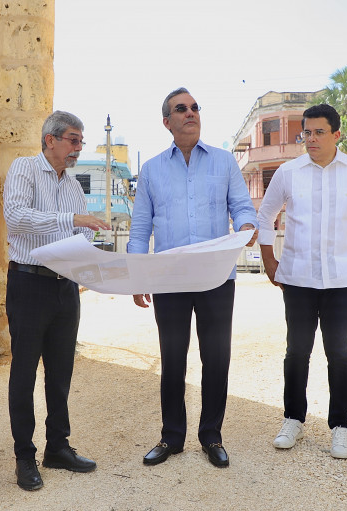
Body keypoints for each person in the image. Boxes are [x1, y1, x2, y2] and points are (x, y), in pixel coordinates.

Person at [127, 87, 258, 468]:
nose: (191, 113)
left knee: (216, 358)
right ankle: (171, 437)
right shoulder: (151, 170)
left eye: (195, 107)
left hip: (216, 277)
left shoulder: (224, 162)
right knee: (172, 360)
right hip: (169, 279)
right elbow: (140, 227)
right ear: (167, 122)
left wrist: (246, 226)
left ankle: (211, 436)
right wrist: (138, 276)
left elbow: (242, 207)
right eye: (181, 109)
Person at [257, 103, 347, 459]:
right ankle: (293, 420)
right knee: (297, 352)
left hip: (342, 280)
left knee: (340, 354)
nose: (311, 139)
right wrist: (269, 261)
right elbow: (266, 216)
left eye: (319, 132)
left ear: (336, 134)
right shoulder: (288, 173)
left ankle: (340, 427)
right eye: (307, 133)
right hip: (297, 278)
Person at [3, 110, 110, 491]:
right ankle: (24, 456)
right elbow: (16, 218)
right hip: (29, 283)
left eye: (81, 141)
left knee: (61, 372)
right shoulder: (25, 169)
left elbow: (82, 235)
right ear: (50, 140)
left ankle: (58, 447)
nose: (78, 148)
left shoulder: (74, 186)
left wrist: (91, 253)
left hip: (65, 287)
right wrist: (74, 221)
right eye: (73, 140)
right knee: (24, 373)